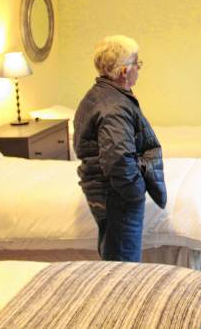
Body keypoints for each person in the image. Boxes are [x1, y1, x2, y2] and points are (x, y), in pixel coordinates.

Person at [73, 35, 167, 262]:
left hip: (104, 192)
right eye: (137, 63)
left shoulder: (99, 94)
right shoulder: (114, 106)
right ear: (124, 71)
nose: (138, 69)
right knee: (124, 267)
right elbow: (117, 159)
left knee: (113, 256)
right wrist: (136, 193)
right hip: (117, 197)